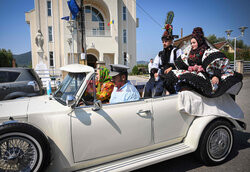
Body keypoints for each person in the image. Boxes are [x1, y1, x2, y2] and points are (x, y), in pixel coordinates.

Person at [165, 27, 243, 98]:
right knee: (172, 76)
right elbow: (181, 62)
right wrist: (172, 67)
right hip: (193, 73)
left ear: (199, 41)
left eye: (194, 43)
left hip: (205, 76)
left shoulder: (207, 51)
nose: (192, 45)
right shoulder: (189, 52)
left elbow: (216, 63)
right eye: (191, 43)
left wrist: (216, 75)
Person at [152, 12, 182, 94]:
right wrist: (154, 72)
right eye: (163, 41)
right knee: (150, 85)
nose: (164, 43)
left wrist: (171, 68)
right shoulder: (160, 53)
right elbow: (155, 64)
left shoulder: (177, 51)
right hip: (162, 75)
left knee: (166, 85)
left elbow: (181, 63)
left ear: (171, 41)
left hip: (173, 75)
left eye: (166, 41)